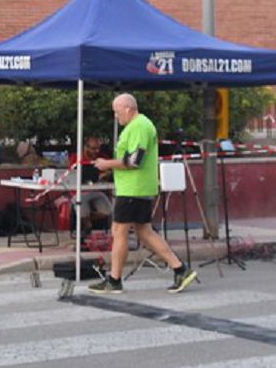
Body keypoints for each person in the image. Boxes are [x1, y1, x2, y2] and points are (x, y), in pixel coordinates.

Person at [89, 94, 196, 294]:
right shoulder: (139, 125)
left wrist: (107, 164)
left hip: (133, 189)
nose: (115, 116)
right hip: (138, 187)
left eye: (117, 111)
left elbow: (134, 160)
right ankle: (180, 269)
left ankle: (114, 280)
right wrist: (112, 168)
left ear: (128, 108)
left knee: (119, 231)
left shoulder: (139, 126)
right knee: (144, 231)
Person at [73, 136, 112, 230]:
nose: (97, 151)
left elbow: (110, 172)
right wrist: (99, 175)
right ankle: (86, 225)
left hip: (97, 191)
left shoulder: (103, 158)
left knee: (107, 210)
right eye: (94, 148)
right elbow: (76, 175)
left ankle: (87, 221)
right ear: (85, 147)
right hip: (79, 191)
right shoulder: (76, 157)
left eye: (98, 148)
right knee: (81, 205)